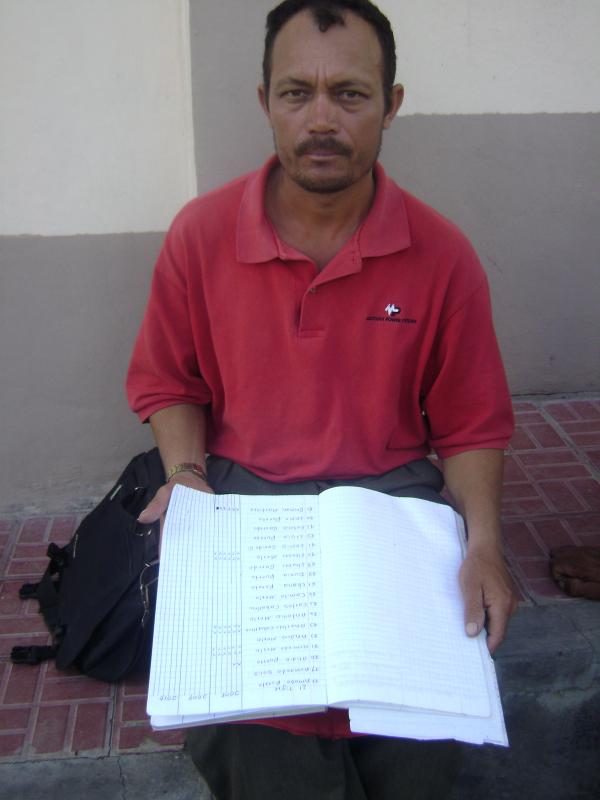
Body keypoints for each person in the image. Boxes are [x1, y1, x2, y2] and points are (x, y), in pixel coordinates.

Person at [127, 1, 518, 796]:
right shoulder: (200, 236)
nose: (321, 119)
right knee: (254, 750)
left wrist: (482, 544)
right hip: (243, 502)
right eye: (296, 92)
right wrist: (188, 475)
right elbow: (169, 381)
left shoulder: (442, 255)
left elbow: (472, 422)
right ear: (263, 101)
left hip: (393, 510)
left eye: (350, 94)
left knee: (419, 745)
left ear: (392, 104)